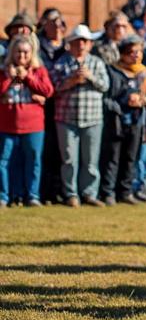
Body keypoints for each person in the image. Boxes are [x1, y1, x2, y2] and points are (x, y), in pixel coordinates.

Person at [51, 24, 109, 206]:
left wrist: (90, 77)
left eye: (85, 41)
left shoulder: (97, 63)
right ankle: (71, 194)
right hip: (66, 119)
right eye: (77, 41)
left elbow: (105, 86)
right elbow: (53, 89)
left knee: (91, 161)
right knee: (69, 160)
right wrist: (71, 81)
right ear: (71, 44)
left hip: (92, 119)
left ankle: (89, 193)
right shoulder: (61, 63)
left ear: (90, 44)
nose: (81, 45)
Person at [0, 34, 53, 207]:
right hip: (7, 123)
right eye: (18, 52)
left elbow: (48, 90)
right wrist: (9, 78)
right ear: (12, 53)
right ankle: (7, 196)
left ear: (32, 54)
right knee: (5, 161)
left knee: (33, 160)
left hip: (33, 125)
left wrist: (28, 77)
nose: (22, 56)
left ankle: (32, 195)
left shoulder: (39, 71)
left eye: (26, 53)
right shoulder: (3, 71)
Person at [100, 36, 146, 205]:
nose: (136, 56)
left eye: (139, 52)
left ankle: (126, 191)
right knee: (112, 158)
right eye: (131, 52)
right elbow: (106, 98)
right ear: (123, 54)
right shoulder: (112, 71)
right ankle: (108, 192)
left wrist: (143, 101)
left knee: (131, 157)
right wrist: (123, 104)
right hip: (116, 121)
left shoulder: (144, 73)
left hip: (136, 121)